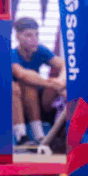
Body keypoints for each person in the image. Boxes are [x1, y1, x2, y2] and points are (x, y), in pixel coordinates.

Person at [10, 17, 65, 147]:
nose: (34, 39)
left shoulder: (40, 50)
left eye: (36, 35)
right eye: (28, 35)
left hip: (38, 102)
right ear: (17, 36)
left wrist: (60, 82)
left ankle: (42, 137)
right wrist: (50, 83)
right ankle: (21, 137)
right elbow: (21, 74)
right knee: (21, 85)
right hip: (15, 102)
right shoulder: (12, 54)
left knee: (59, 85)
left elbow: (64, 65)